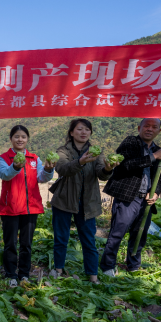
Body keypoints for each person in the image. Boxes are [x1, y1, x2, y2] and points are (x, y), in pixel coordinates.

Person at [50, 119, 118, 283]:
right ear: (72, 132)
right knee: (61, 238)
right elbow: (63, 168)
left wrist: (108, 169)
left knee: (88, 239)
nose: (83, 132)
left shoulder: (96, 152)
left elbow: (101, 173)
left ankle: (93, 276)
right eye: (79, 129)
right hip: (64, 200)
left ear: (90, 133)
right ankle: (58, 269)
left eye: (87, 129)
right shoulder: (63, 151)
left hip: (88, 203)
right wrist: (80, 162)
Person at [100, 118, 161, 276]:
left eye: (154, 127)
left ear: (159, 131)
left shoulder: (159, 150)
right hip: (127, 197)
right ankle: (108, 266)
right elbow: (126, 165)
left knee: (140, 233)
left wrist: (156, 192)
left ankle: (133, 265)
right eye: (146, 126)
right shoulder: (130, 142)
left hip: (146, 199)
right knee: (118, 231)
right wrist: (153, 157)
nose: (149, 129)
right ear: (139, 128)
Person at [0, 125, 54, 286]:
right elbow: (4, 174)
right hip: (10, 207)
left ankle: (24, 274)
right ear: (11, 139)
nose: (20, 139)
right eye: (16, 136)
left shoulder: (35, 158)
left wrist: (49, 170)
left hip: (30, 208)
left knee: (26, 244)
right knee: (10, 244)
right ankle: (10, 275)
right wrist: (15, 166)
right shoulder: (3, 158)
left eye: (23, 136)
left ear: (27, 139)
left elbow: (42, 178)